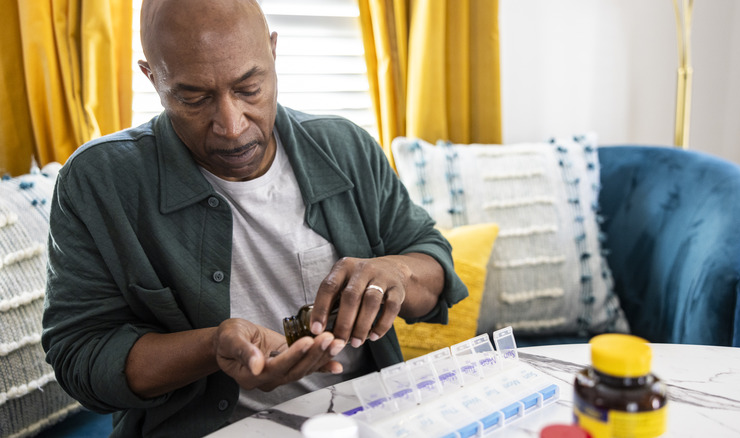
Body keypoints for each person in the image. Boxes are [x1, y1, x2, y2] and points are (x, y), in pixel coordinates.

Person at [41, 0, 467, 436]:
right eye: (194, 98)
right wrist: (212, 348)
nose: (231, 124)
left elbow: (435, 263)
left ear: (273, 52)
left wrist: (395, 272)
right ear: (152, 78)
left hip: (366, 423)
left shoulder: (346, 147)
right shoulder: (98, 182)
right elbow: (81, 357)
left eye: (248, 88)